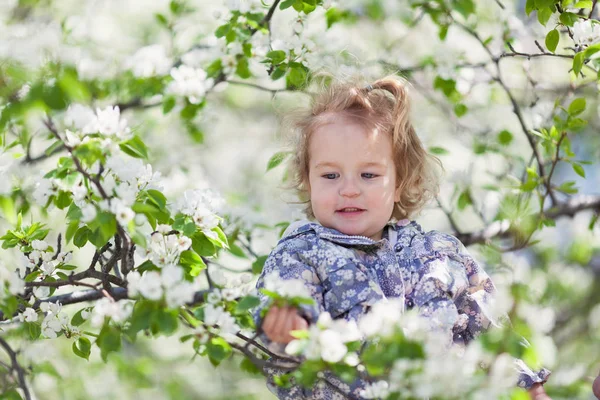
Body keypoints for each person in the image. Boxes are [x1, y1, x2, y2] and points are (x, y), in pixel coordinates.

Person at [252, 75, 551, 399]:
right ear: (309, 183)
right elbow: (281, 307)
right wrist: (283, 321)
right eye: (330, 175)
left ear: (398, 184)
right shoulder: (300, 252)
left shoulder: (441, 253)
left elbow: (490, 325)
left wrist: (531, 387)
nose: (349, 188)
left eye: (368, 175)